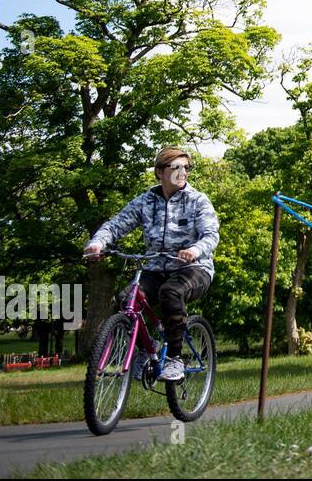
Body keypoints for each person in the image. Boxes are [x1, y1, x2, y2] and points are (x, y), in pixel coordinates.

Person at [83, 146, 218, 381]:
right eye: (176, 168)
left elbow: (211, 235)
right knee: (126, 299)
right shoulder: (145, 201)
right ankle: (146, 349)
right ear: (159, 172)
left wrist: (195, 250)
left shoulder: (198, 200)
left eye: (186, 168)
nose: (183, 173)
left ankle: (175, 359)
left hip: (193, 269)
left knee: (171, 292)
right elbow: (116, 225)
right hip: (155, 268)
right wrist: (98, 243)